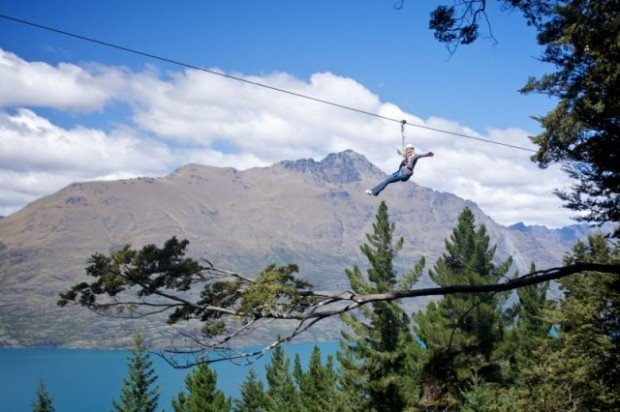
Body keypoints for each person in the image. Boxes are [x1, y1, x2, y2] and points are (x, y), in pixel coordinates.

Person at [366, 144, 434, 196]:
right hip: (402, 174)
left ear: (413, 150)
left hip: (404, 174)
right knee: (387, 180)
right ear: (406, 151)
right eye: (408, 150)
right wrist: (398, 149)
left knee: (387, 180)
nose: (409, 151)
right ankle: (376, 192)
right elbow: (400, 153)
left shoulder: (414, 156)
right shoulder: (406, 156)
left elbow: (421, 155)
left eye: (411, 149)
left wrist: (428, 154)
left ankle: (373, 191)